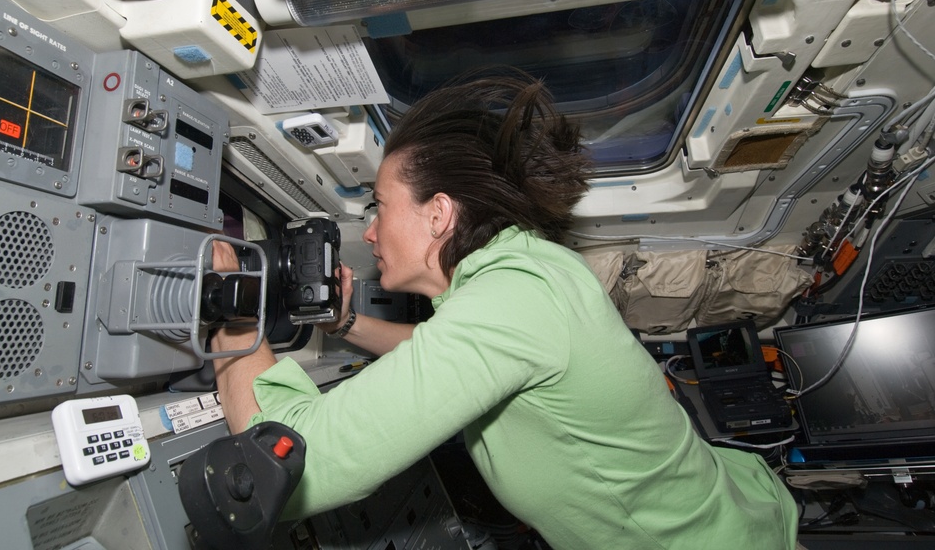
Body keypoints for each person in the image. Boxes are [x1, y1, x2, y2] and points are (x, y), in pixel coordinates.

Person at [211, 69, 800, 549]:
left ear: (438, 214)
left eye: (379, 206)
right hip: (735, 506)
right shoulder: (527, 272)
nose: (368, 232)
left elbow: (296, 465)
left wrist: (232, 310)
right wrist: (345, 323)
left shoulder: (511, 302)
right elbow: (441, 353)